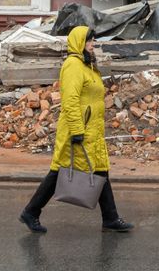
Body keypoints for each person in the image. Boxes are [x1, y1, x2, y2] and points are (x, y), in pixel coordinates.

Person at [19, 25, 133, 234]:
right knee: (61, 170)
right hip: (79, 129)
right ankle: (31, 211)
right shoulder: (73, 65)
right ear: (79, 42)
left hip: (93, 129)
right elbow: (70, 101)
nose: (93, 44)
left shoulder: (86, 65)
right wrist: (77, 130)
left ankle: (110, 217)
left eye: (93, 40)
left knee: (100, 169)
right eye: (89, 41)